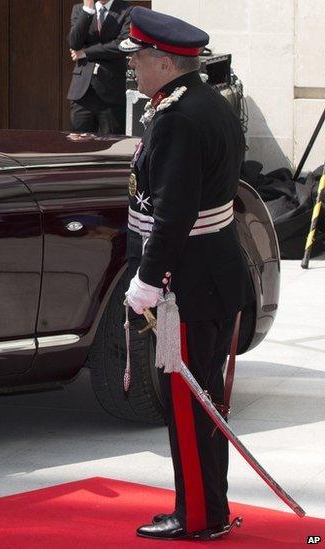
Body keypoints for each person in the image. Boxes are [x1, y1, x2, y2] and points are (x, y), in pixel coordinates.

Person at [120, 7, 251, 541]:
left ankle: (197, 516)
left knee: (189, 404)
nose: (134, 69)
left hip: (185, 283)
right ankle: (209, 508)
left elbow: (173, 214)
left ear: (164, 61)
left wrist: (149, 279)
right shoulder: (204, 103)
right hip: (211, 274)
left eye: (139, 59)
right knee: (204, 404)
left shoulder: (179, 117)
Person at [67, 0, 133, 134]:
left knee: (112, 144)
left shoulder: (127, 10)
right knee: (78, 143)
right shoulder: (79, 9)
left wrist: (85, 53)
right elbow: (74, 42)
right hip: (83, 92)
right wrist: (88, 10)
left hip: (111, 91)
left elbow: (122, 45)